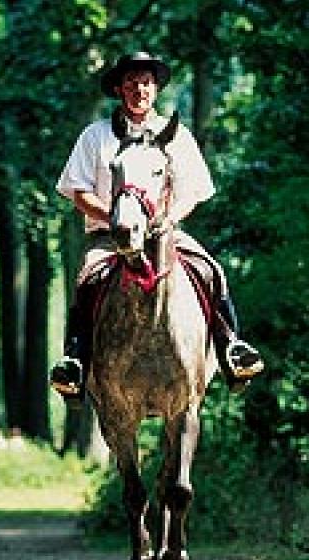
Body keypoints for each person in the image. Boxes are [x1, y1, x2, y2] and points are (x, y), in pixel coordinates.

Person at [49, 52, 264, 401]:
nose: (139, 89)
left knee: (210, 269)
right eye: (131, 83)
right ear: (119, 89)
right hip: (110, 235)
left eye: (146, 83)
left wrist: (170, 218)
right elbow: (79, 192)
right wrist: (115, 218)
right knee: (87, 278)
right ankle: (75, 361)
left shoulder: (175, 135)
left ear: (156, 89)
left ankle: (231, 348)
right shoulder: (95, 136)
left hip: (163, 234)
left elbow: (193, 191)